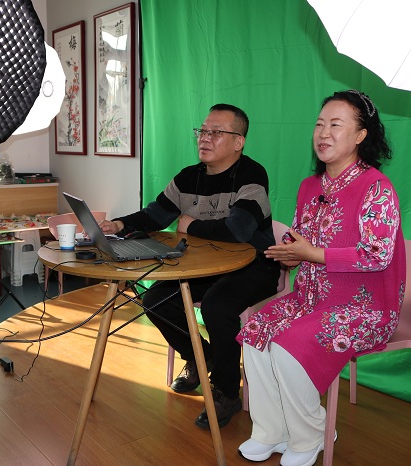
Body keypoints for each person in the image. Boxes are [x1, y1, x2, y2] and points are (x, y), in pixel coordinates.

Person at [236, 90, 405, 466]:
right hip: (309, 299)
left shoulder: (376, 188)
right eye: (319, 124)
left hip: (364, 309)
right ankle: (270, 431)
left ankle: (311, 434)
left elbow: (377, 255)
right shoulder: (309, 186)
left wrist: (312, 254)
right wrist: (286, 253)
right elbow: (299, 238)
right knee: (256, 332)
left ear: (360, 135)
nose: (324, 133)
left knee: (289, 346)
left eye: (336, 125)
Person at [100, 103, 281, 428]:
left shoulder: (252, 175)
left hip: (254, 266)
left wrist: (191, 226)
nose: (205, 138)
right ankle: (200, 356)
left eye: (216, 132)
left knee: (217, 305)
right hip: (208, 267)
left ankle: (227, 391)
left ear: (238, 142)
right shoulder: (188, 177)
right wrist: (118, 224)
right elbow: (155, 215)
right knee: (155, 299)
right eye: (203, 131)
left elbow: (239, 230)